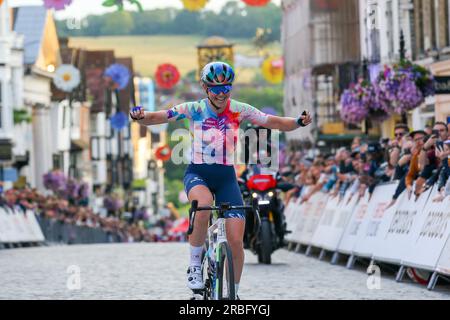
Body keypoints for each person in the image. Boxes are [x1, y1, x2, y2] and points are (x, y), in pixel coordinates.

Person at [130, 61, 312, 296]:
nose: (221, 93)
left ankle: (233, 293)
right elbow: (160, 117)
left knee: (236, 241)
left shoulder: (239, 109)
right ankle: (195, 265)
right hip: (198, 173)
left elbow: (272, 122)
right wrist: (140, 116)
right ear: (206, 88)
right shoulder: (194, 108)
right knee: (203, 206)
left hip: (227, 176)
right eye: (215, 89)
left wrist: (298, 122)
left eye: (226, 87)